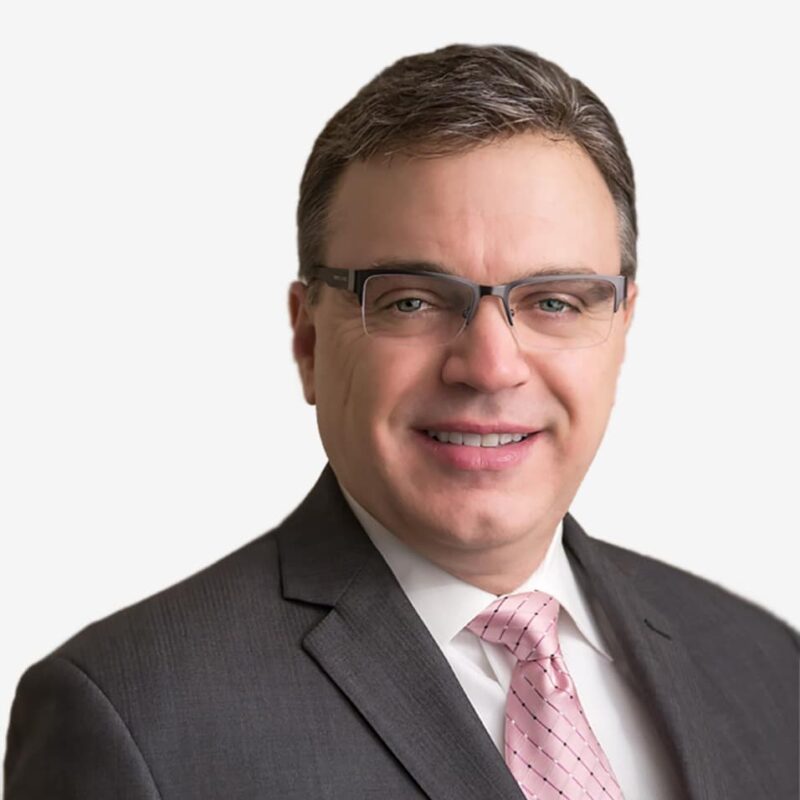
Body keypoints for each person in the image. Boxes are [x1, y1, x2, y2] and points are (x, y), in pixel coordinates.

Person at [4, 43, 797, 800]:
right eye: (412, 300)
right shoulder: (133, 718)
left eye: (555, 301)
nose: (489, 367)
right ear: (308, 340)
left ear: (621, 334)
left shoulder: (765, 666)